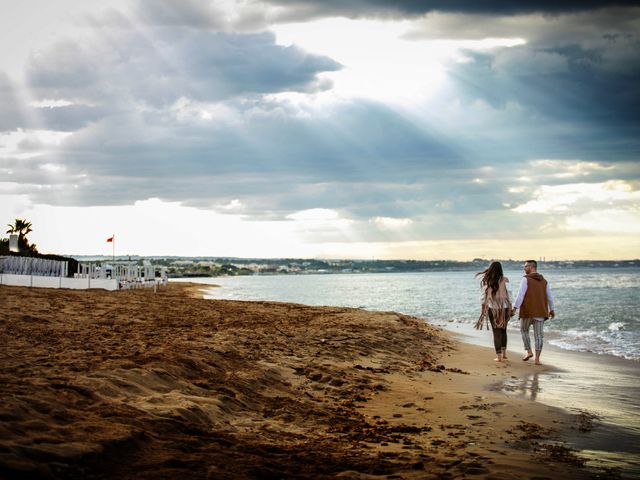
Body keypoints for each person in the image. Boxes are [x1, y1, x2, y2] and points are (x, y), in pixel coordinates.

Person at [512, 260, 555, 365]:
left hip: (527, 311)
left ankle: (529, 351)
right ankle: (537, 359)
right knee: (539, 336)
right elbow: (550, 297)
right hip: (540, 312)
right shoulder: (544, 281)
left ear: (532, 267)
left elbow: (520, 295)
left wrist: (514, 308)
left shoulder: (525, 279)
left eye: (526, 266)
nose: (524, 268)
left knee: (524, 330)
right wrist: (552, 309)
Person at [476, 261, 512, 362]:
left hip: (493, 309)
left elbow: (483, 299)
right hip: (504, 308)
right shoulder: (506, 280)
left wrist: (483, 311)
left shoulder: (488, 282)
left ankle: (499, 357)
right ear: (501, 269)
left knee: (496, 331)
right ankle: (504, 354)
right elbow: (510, 295)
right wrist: (511, 308)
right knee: (503, 330)